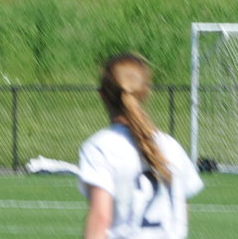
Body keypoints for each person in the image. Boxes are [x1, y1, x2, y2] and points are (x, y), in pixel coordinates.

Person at [78, 53, 204, 239]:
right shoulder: (171, 146)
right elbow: (181, 207)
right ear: (146, 93)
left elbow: (101, 218)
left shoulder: (100, 147)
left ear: (102, 95)